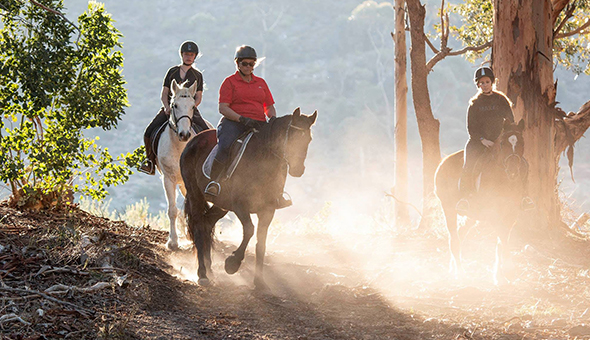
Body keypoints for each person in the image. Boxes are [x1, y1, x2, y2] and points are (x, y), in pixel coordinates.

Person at [204, 45, 291, 209]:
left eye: (252, 64)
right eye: (245, 64)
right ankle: (214, 183)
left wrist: (272, 120)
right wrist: (241, 118)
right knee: (225, 146)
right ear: (237, 63)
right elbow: (223, 107)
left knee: (280, 151)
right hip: (234, 122)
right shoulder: (229, 82)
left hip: (258, 123)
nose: (248, 67)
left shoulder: (261, 83)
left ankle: (278, 193)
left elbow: (269, 106)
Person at [456, 66, 534, 212]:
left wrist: (502, 138)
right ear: (478, 84)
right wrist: (482, 140)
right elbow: (471, 128)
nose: (485, 85)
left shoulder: (501, 100)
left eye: (487, 81)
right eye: (482, 82)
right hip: (478, 142)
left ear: (492, 82)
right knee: (469, 165)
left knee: (522, 163)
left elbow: (510, 122)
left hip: (500, 141)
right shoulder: (474, 104)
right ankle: (465, 199)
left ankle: (524, 197)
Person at [139, 41, 211, 175]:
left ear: (195, 56)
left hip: (189, 110)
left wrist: (191, 108)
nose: (188, 57)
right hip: (171, 109)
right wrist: (167, 107)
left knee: (207, 132)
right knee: (148, 132)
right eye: (186, 54)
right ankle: (149, 162)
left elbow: (199, 96)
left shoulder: (197, 75)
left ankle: (209, 164)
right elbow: (164, 93)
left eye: (191, 54)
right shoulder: (172, 72)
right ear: (181, 55)